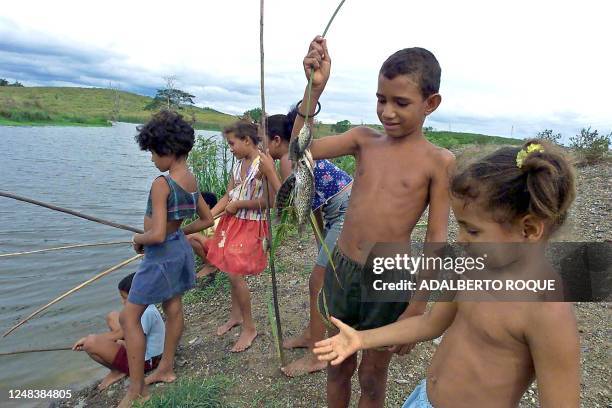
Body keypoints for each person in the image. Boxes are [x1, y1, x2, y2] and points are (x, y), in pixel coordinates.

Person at [314, 140, 581, 408]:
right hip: (423, 400)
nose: (461, 240)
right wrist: (361, 339)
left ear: (529, 230)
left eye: (473, 231)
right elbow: (431, 322)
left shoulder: (547, 311)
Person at [290, 36, 454, 407]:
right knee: (337, 365)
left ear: (431, 104)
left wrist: (417, 307)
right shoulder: (364, 140)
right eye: (381, 100)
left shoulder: (438, 162)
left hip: (389, 278)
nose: (388, 112)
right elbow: (299, 151)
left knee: (371, 376)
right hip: (341, 267)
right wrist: (313, 92)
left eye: (401, 102)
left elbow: (436, 237)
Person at [119, 110, 214, 407]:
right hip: (178, 251)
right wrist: (179, 232)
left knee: (128, 317)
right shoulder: (191, 180)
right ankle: (166, 368)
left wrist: (139, 239)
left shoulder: (162, 184)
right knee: (173, 307)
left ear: (168, 151)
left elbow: (157, 234)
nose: (151, 159)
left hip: (160, 256)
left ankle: (137, 390)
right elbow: (207, 218)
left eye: (152, 153)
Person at [259, 109, 352, 377]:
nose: (259, 148)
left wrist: (270, 172)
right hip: (337, 212)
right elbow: (312, 207)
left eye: (261, 140)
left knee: (317, 282)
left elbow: (291, 205)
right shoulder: (290, 160)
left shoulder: (290, 160)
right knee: (319, 278)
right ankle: (312, 334)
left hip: (347, 213)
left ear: (276, 141)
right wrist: (321, 241)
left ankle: (317, 355)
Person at [201, 120, 271, 352]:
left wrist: (240, 203)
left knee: (233, 273)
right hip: (234, 223)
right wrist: (208, 218)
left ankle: (250, 327)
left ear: (247, 141)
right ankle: (236, 316)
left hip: (252, 225)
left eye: (232, 144)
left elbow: (268, 202)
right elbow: (227, 196)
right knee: (228, 266)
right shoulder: (238, 165)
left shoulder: (263, 164)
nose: (230, 148)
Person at [72, 273, 165, 391]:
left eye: (125, 298)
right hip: (144, 349)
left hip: (147, 362)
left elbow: (121, 334)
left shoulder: (145, 313)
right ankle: (117, 359)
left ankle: (118, 371)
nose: (122, 302)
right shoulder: (145, 306)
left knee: (90, 343)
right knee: (113, 316)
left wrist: (89, 340)